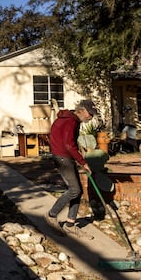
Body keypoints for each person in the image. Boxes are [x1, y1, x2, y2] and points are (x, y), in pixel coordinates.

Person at [44, 99, 98, 238]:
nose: (90, 117)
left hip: (63, 156)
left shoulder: (67, 118)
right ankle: (51, 215)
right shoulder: (71, 121)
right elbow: (69, 144)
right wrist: (83, 162)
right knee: (74, 190)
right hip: (63, 157)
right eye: (90, 114)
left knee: (77, 191)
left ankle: (70, 224)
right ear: (83, 111)